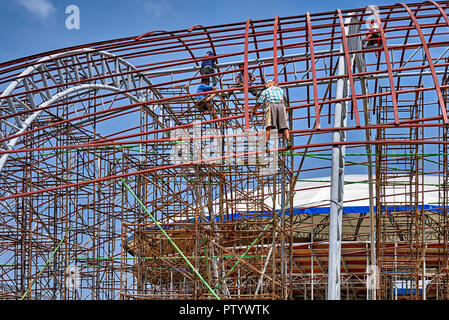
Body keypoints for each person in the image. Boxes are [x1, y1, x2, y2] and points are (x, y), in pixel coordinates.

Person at [251, 79, 292, 149]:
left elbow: (259, 102)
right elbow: (283, 98)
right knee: (284, 125)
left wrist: (254, 110)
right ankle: (288, 141)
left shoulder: (265, 91)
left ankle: (266, 144)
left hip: (271, 105)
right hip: (281, 106)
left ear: (267, 85)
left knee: (268, 126)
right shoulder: (280, 90)